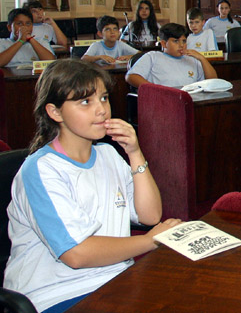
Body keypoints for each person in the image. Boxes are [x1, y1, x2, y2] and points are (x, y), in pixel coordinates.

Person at [3, 59, 181, 313]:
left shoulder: (108, 154)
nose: (101, 110)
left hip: (116, 279)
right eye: (86, 102)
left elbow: (150, 215)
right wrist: (152, 241)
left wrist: (135, 153)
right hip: (56, 293)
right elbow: (76, 254)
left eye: (104, 98)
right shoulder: (41, 170)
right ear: (55, 112)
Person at [125, 23, 218, 89]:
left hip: (189, 101)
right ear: (164, 44)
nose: (181, 45)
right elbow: (131, 77)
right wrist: (154, 89)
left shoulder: (192, 59)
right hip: (162, 100)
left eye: (184, 41)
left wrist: (202, 59)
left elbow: (213, 82)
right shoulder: (152, 57)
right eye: (176, 41)